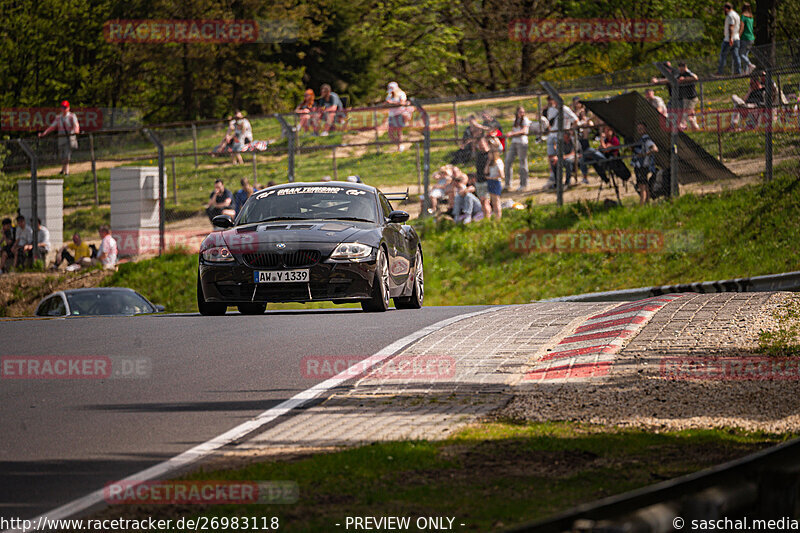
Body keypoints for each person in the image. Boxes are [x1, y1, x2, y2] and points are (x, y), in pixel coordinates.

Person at [543, 96, 579, 189]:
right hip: (552, 135)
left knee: (560, 158)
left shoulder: (565, 109)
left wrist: (570, 131)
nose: (550, 101)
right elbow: (551, 124)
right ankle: (554, 179)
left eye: (552, 99)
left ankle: (565, 181)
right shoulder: (550, 110)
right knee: (551, 157)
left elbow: (575, 120)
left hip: (561, 137)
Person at [38, 100, 80, 176]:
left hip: (69, 138)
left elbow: (76, 125)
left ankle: (66, 172)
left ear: (68, 108)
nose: (63, 109)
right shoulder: (58, 117)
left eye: (65, 107)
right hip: (61, 139)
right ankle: (63, 169)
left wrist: (76, 130)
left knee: (67, 155)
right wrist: (44, 133)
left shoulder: (72, 116)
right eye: (62, 107)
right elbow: (52, 127)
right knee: (62, 155)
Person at [632, 123, 659, 205]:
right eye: (638, 128)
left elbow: (655, 149)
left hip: (643, 165)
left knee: (642, 186)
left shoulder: (646, 140)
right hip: (640, 165)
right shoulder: (640, 140)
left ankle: (642, 204)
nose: (639, 130)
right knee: (645, 185)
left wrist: (646, 154)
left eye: (641, 128)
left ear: (645, 129)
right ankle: (647, 202)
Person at [504, 106, 531, 191]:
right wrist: (511, 133)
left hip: (522, 143)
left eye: (523, 112)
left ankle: (524, 184)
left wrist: (512, 134)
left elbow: (524, 131)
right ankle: (508, 184)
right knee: (508, 162)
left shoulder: (525, 120)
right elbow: (514, 130)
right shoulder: (515, 120)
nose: (522, 114)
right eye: (520, 112)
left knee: (522, 163)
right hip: (514, 142)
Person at [717, 2, 742, 76]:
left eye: (724, 9)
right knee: (736, 55)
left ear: (726, 8)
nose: (724, 11)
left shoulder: (730, 16)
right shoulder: (737, 15)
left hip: (729, 39)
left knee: (723, 55)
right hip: (737, 38)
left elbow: (731, 26)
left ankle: (720, 72)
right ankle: (738, 71)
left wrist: (730, 38)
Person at [386, 82, 409, 150]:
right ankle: (399, 144)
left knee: (399, 131)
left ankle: (400, 147)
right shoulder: (389, 95)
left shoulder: (401, 94)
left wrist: (392, 103)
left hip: (399, 114)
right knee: (390, 133)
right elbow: (387, 103)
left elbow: (402, 103)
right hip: (391, 115)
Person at [485, 144, 504, 219]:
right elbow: (486, 171)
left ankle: (498, 218)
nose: (488, 155)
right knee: (493, 202)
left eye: (490, 154)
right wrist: (488, 162)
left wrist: (491, 178)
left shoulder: (498, 162)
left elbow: (502, 175)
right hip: (490, 182)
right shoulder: (491, 162)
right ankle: (495, 217)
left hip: (495, 182)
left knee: (496, 202)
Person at [739, 3, 756, 74]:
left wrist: (738, 36)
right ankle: (745, 71)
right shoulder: (751, 17)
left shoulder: (743, 17)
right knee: (745, 54)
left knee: (741, 54)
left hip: (745, 37)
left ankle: (750, 65)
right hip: (751, 38)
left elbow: (742, 27)